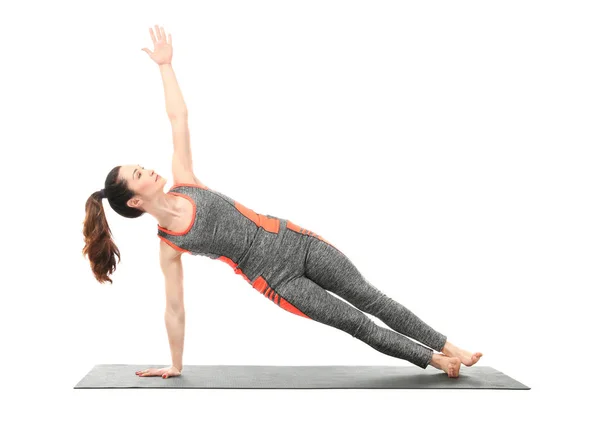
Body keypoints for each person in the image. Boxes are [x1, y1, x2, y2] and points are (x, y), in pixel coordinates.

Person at [82, 25, 483, 380]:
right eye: (139, 175)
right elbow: (174, 309)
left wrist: (165, 66)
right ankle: (433, 359)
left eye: (141, 166)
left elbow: (178, 118)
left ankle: (450, 347)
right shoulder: (170, 244)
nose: (148, 170)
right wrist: (176, 364)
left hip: (297, 242)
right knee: (355, 323)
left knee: (371, 298)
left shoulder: (185, 180)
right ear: (135, 201)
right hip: (278, 281)